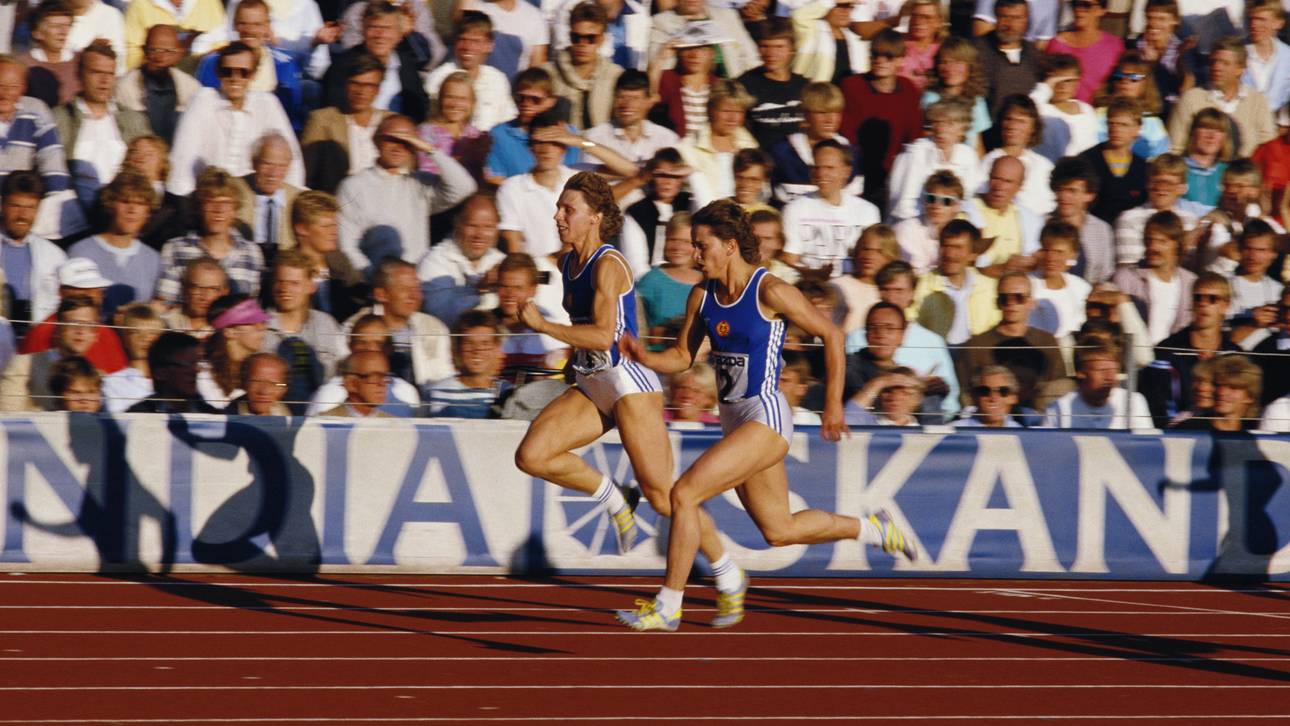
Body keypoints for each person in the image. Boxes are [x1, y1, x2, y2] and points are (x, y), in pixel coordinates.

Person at [613, 198, 915, 632]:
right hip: (734, 418)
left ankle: (669, 604)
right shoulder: (703, 294)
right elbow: (682, 357)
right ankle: (873, 530)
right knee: (779, 531)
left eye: (702, 246)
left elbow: (830, 335)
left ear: (730, 245)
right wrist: (644, 355)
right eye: (695, 246)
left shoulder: (769, 290)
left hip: (766, 417)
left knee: (684, 495)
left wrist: (831, 405)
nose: (696, 255)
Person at [513, 173, 746, 625]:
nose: (558, 216)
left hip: (629, 386)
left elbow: (604, 334)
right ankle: (615, 495)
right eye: (559, 208)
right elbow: (587, 336)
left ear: (596, 218)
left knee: (666, 497)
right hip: (592, 381)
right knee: (533, 455)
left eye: (568, 209)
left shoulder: (609, 263)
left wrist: (544, 327)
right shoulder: (567, 264)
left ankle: (728, 573)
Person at [338, 114, 477, 271]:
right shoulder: (353, 186)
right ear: (375, 140)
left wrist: (429, 149)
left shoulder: (418, 183)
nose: (398, 147)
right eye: (392, 139)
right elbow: (347, 245)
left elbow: (465, 187)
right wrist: (374, 278)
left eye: (406, 142)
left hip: (416, 282)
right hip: (374, 284)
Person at [167, 42, 303, 196]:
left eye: (243, 72)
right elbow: (183, 160)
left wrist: (290, 202)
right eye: (227, 72)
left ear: (253, 75)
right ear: (218, 73)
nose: (235, 78)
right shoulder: (202, 100)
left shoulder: (268, 103)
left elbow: (292, 160)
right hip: (208, 197)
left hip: (253, 200)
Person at [52, 41, 151, 214]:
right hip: (76, 212)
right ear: (80, 75)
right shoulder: (60, 118)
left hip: (124, 208)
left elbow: (153, 166)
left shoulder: (134, 120)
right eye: (96, 72)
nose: (104, 81)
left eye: (110, 74)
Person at [838, 28, 924, 210]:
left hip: (895, 174)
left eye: (888, 56)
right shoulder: (852, 86)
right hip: (857, 172)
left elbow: (914, 137)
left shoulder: (908, 89)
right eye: (875, 55)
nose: (880, 61)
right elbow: (847, 135)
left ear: (900, 60)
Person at [1140, 271, 1239, 424]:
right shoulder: (1167, 350)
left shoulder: (1235, 355)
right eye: (1198, 298)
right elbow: (1159, 408)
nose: (1203, 303)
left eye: (1212, 299)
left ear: (1225, 306)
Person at [155, 167, 265, 304]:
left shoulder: (252, 252)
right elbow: (166, 303)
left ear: (234, 210)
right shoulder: (175, 249)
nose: (218, 210)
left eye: (225, 203)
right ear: (199, 207)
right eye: (210, 202)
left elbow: (251, 307)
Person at [195, 0, 307, 130]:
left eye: (257, 24)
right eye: (243, 24)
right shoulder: (212, 63)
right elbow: (204, 108)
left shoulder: (285, 63)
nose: (250, 30)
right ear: (234, 25)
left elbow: (291, 116)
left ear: (267, 27)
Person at [345, 258, 454, 389]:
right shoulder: (355, 329)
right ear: (381, 294)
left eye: (417, 288)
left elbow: (444, 379)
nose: (414, 296)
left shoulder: (434, 328)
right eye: (405, 289)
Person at [67, 170, 162, 317]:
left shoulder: (153, 259)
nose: (132, 210)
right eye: (125, 201)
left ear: (147, 211)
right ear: (111, 204)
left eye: (140, 203)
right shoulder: (81, 251)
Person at [780, 139, 880, 278]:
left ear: (847, 171)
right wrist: (817, 275)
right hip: (809, 286)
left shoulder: (868, 212)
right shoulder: (794, 209)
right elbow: (788, 261)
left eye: (829, 168)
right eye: (817, 167)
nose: (821, 174)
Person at [262, 250, 345, 413]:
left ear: (311, 286)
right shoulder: (259, 326)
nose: (285, 289)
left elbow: (340, 373)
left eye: (294, 283)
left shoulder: (327, 325)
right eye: (280, 281)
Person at [321, 2, 431, 124]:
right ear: (363, 30)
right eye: (373, 27)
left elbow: (420, 109)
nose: (380, 35)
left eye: (387, 28)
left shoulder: (406, 64)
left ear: (400, 35)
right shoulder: (342, 65)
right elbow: (333, 113)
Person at [1167, 36, 1275, 158]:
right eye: (1213, 62)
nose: (1217, 67)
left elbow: (1268, 147)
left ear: (1240, 70)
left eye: (1225, 63)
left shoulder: (1257, 101)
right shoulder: (1191, 99)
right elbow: (1175, 148)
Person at [300, 53, 393, 195]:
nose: (361, 92)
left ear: (378, 90)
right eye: (355, 83)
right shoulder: (322, 120)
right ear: (345, 85)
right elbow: (305, 174)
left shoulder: (391, 122)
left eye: (369, 85)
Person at [419, 194, 507, 328]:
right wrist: (479, 289)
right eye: (472, 226)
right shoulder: (434, 262)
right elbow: (443, 319)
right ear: (457, 223)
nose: (479, 235)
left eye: (488, 227)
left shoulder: (501, 261)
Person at [306, 313, 421, 416]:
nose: (370, 349)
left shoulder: (407, 394)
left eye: (378, 343)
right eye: (362, 343)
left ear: (389, 349)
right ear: (350, 346)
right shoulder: (328, 396)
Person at [0, 295, 100, 411]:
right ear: (57, 329)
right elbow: (8, 417)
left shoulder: (96, 373)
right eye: (73, 323)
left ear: (95, 335)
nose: (80, 331)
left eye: (88, 325)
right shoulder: (24, 365)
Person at [888, 97, 981, 222]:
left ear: (962, 129)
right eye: (937, 122)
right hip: (915, 223)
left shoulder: (968, 155)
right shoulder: (917, 152)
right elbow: (904, 206)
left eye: (950, 124)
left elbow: (968, 199)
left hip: (953, 225)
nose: (941, 129)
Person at [424, 11, 516, 134]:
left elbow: (508, 122)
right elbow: (432, 124)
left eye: (476, 41)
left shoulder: (497, 79)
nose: (468, 47)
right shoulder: (438, 78)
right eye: (463, 40)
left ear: (489, 46)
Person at [1113, 210, 1196, 344]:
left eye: (1162, 241)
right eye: (1149, 240)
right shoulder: (1126, 278)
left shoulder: (1190, 282)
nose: (1153, 247)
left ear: (1177, 244)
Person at [913, 219, 1000, 345]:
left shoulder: (989, 288)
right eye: (945, 246)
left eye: (958, 248)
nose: (950, 254)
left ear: (973, 254)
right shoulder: (922, 285)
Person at [1112, 153, 1208, 267]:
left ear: (1182, 188)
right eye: (1156, 182)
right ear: (1148, 184)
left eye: (1169, 184)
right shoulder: (1129, 219)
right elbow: (1129, 270)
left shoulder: (1190, 220)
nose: (1161, 189)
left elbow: (1194, 267)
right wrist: (1183, 246)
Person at [542, 1, 624, 132]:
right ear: (570, 36)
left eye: (591, 39)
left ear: (602, 40)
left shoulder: (615, 75)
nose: (583, 44)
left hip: (601, 147)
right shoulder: (547, 74)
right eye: (576, 37)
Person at [113, 25, 202, 145]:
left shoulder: (190, 88)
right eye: (154, 50)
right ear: (144, 51)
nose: (161, 58)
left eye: (168, 51)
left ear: (178, 54)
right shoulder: (125, 88)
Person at [1, 171, 68, 329]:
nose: (22, 215)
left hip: (36, 344)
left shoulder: (54, 256)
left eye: (30, 207)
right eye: (16, 206)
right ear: (2, 205)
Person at [289, 190, 368, 324]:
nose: (334, 232)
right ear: (301, 229)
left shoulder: (339, 261)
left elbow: (361, 296)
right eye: (326, 226)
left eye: (335, 225)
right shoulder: (288, 267)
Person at [675, 79, 759, 202]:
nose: (732, 118)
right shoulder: (687, 148)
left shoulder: (750, 146)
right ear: (710, 109)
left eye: (739, 111)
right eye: (726, 111)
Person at [1043, 336, 1152, 429]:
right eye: (1102, 371)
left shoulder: (1134, 402)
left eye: (1114, 370)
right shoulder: (1059, 409)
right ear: (1081, 373)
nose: (1110, 377)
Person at [583, 69, 680, 167]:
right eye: (621, 97)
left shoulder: (667, 139)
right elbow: (590, 178)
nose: (627, 104)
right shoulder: (593, 138)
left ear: (649, 102)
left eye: (635, 98)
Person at [738, 17, 808, 150]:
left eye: (779, 47)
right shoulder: (744, 85)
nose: (771, 53)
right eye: (765, 46)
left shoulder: (804, 86)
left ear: (792, 49)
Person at [1078, 95, 1149, 225]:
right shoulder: (1086, 161)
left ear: (1137, 129)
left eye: (1124, 125)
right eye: (1112, 123)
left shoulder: (1143, 168)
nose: (1116, 129)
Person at [424, 309, 508, 418]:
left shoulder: (508, 393)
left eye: (485, 343)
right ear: (458, 348)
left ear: (496, 348)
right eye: (469, 343)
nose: (477, 350)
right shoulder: (436, 392)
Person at [981, 94, 1055, 216]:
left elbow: (1050, 204)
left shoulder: (1044, 165)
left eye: (1021, 121)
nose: (1012, 126)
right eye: (1008, 119)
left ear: (1033, 128)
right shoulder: (990, 160)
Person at [416, 71, 491, 188]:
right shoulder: (426, 132)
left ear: (472, 103)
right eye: (450, 97)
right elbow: (428, 176)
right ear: (440, 100)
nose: (455, 104)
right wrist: (464, 158)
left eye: (463, 98)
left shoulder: (475, 134)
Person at [635, 213, 702, 344]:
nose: (678, 247)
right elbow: (635, 329)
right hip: (659, 359)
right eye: (672, 240)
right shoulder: (650, 281)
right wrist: (663, 332)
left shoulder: (709, 281)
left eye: (686, 242)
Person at [233, 133, 302, 257]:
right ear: (254, 163)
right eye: (267, 164)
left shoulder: (298, 199)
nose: (273, 173)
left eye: (281, 166)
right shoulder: (234, 190)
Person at [1092, 51, 1171, 159]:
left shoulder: (1154, 123)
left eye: (1134, 77)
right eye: (1120, 76)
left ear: (1146, 83)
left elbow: (1160, 160)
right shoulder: (1097, 115)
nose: (1125, 81)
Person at [1049, 156, 1116, 283]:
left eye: (1072, 191)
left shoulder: (1101, 230)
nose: (1064, 196)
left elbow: (1105, 275)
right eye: (1060, 190)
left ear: (1089, 195)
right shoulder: (1040, 224)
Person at [974, 0, 1044, 117]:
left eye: (1017, 18)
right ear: (995, 17)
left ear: (1026, 20)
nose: (1010, 25)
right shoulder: (976, 52)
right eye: (1004, 17)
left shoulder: (1034, 54)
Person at [920, 36, 991, 151]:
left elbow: (977, 143)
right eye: (944, 62)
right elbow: (925, 137)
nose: (950, 68)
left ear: (970, 67)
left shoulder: (977, 100)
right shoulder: (930, 98)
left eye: (958, 62)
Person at [125, 331, 221, 414]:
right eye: (186, 364)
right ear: (160, 373)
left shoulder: (211, 415)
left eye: (196, 363)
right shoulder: (139, 416)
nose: (195, 370)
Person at [202, 295, 270, 409]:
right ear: (229, 332)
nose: (262, 328)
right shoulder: (204, 372)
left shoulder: (257, 368)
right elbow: (218, 411)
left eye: (263, 322)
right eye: (254, 322)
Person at [1031, 53, 1100, 163]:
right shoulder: (1042, 109)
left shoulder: (1086, 108)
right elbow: (1026, 110)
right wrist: (1045, 87)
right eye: (1057, 80)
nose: (1062, 86)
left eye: (1068, 80)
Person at [1170, 353, 1263, 430]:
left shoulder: (1254, 432)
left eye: (1233, 387)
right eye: (1218, 385)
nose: (1222, 392)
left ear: (1250, 397)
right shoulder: (1188, 429)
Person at [101, 302, 162, 412]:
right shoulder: (112, 383)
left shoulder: (168, 380)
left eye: (152, 333)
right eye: (135, 332)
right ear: (125, 339)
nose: (144, 338)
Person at [789, 0, 868, 84]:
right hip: (815, 94)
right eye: (838, 6)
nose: (844, 11)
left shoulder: (856, 41)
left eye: (848, 7)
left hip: (847, 95)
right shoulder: (811, 30)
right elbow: (798, 16)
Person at [21, 0, 81, 109]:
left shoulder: (80, 61)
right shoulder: (23, 65)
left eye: (67, 25)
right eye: (56, 26)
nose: (63, 31)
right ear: (37, 33)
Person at [161, 258, 229, 340]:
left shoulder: (230, 329)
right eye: (197, 288)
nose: (204, 296)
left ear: (225, 292)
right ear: (184, 288)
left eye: (213, 289)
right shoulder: (163, 323)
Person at [320, 350, 394, 417]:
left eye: (384, 377)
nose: (382, 384)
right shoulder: (324, 423)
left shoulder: (395, 425)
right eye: (373, 377)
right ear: (350, 383)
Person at [953, 365, 1024, 427]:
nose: (993, 398)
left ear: (1013, 398)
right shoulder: (954, 433)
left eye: (1003, 391)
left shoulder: (1023, 434)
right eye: (985, 391)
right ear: (974, 396)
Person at [226, 352, 291, 415]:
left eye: (273, 384)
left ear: (284, 389)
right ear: (244, 383)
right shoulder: (227, 416)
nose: (264, 391)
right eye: (256, 381)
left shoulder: (290, 414)